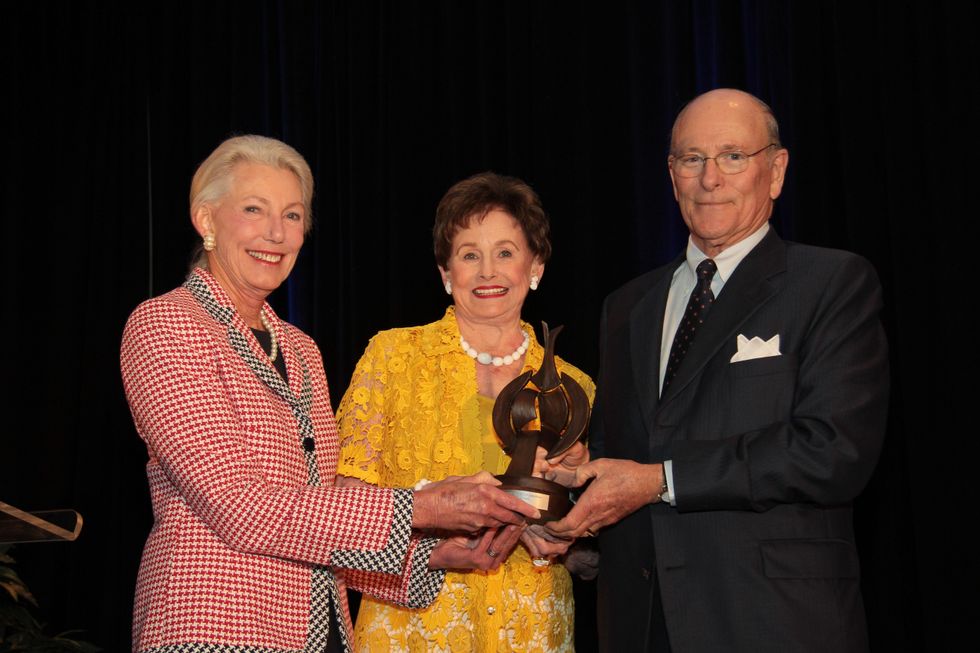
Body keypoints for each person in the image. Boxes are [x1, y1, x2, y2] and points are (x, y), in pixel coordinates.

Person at [120, 136, 540, 653]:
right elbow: (242, 508)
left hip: (319, 632)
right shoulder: (167, 325)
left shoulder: (300, 350)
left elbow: (320, 514)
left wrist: (433, 556)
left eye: (293, 216)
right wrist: (425, 507)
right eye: (254, 209)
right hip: (214, 627)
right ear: (206, 220)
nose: (276, 232)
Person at [547, 89, 889, 652]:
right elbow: (621, 455)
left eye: (733, 156)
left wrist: (660, 480)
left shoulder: (831, 283)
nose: (710, 179)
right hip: (641, 623)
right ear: (671, 173)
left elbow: (833, 451)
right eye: (691, 159)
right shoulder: (627, 305)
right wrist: (567, 501)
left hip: (773, 621)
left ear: (775, 171)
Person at [335, 171, 595, 652]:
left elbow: (593, 531)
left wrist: (565, 530)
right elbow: (344, 510)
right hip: (411, 631)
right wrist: (430, 545)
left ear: (535, 266)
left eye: (505, 252)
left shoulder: (576, 386)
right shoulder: (391, 357)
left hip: (535, 629)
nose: (487, 271)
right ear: (445, 272)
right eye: (469, 255)